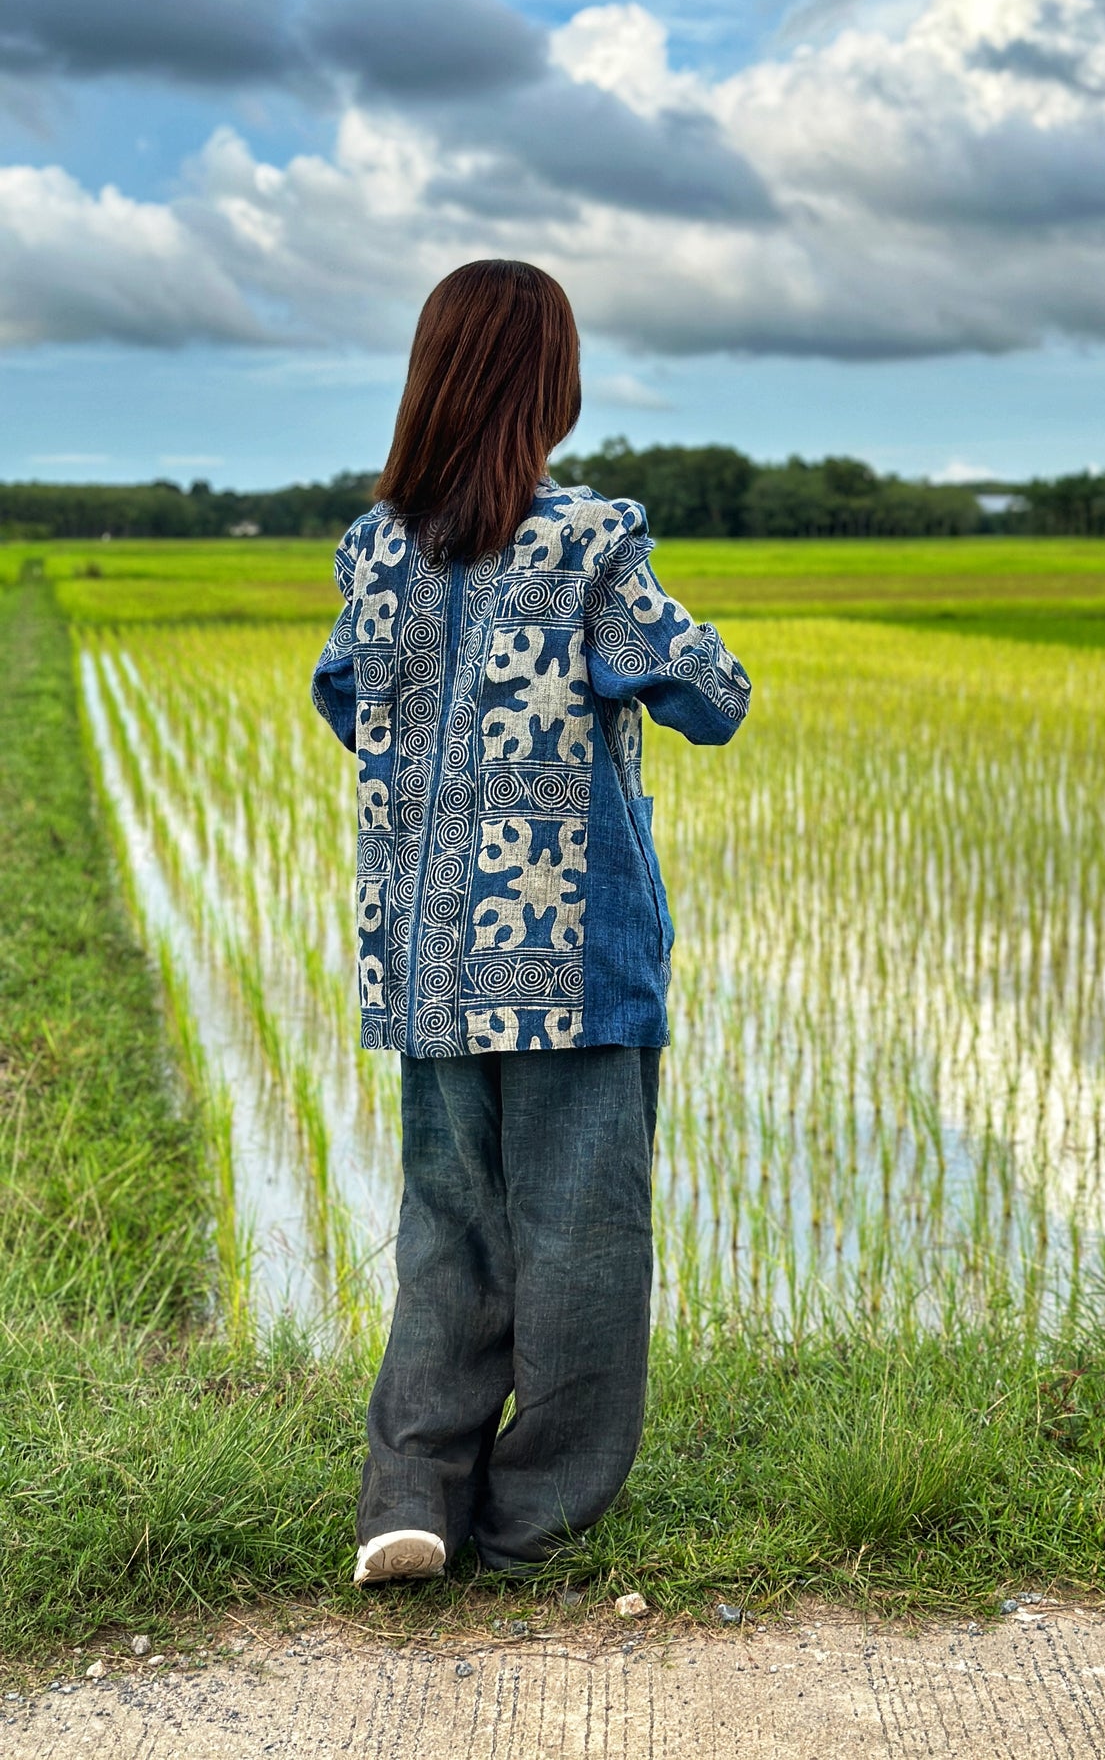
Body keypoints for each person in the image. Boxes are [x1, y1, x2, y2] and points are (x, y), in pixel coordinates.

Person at [310, 258, 751, 1584]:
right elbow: (703, 690)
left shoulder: (377, 546)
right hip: (570, 957)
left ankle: (413, 1498)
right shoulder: (585, 539)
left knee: (449, 1223)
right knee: (582, 1237)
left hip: (427, 955)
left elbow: (345, 699)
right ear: (551, 386)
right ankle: (528, 1522)